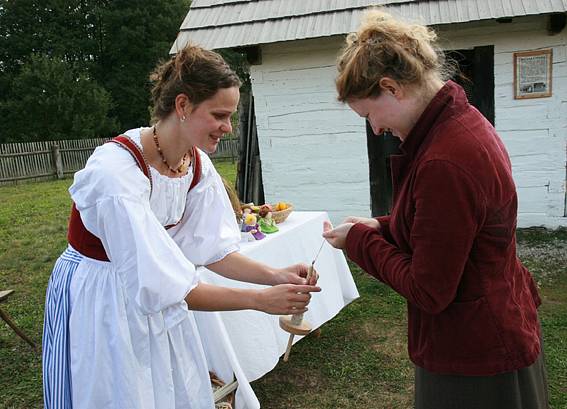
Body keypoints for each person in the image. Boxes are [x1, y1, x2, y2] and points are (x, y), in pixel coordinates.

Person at [42, 44, 320, 409]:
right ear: (183, 105)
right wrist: (258, 300)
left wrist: (275, 276)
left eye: (231, 116)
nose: (228, 127)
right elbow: (166, 287)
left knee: (163, 384)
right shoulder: (117, 173)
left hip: (153, 290)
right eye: (219, 115)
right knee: (118, 389)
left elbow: (212, 250)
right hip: (101, 294)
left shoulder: (195, 166)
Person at [322, 9, 548, 409]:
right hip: (493, 327)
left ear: (392, 88)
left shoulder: (446, 159)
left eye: (369, 114)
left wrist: (360, 241)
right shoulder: (462, 121)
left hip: (475, 353)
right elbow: (451, 224)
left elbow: (428, 290)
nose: (374, 129)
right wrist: (381, 225)